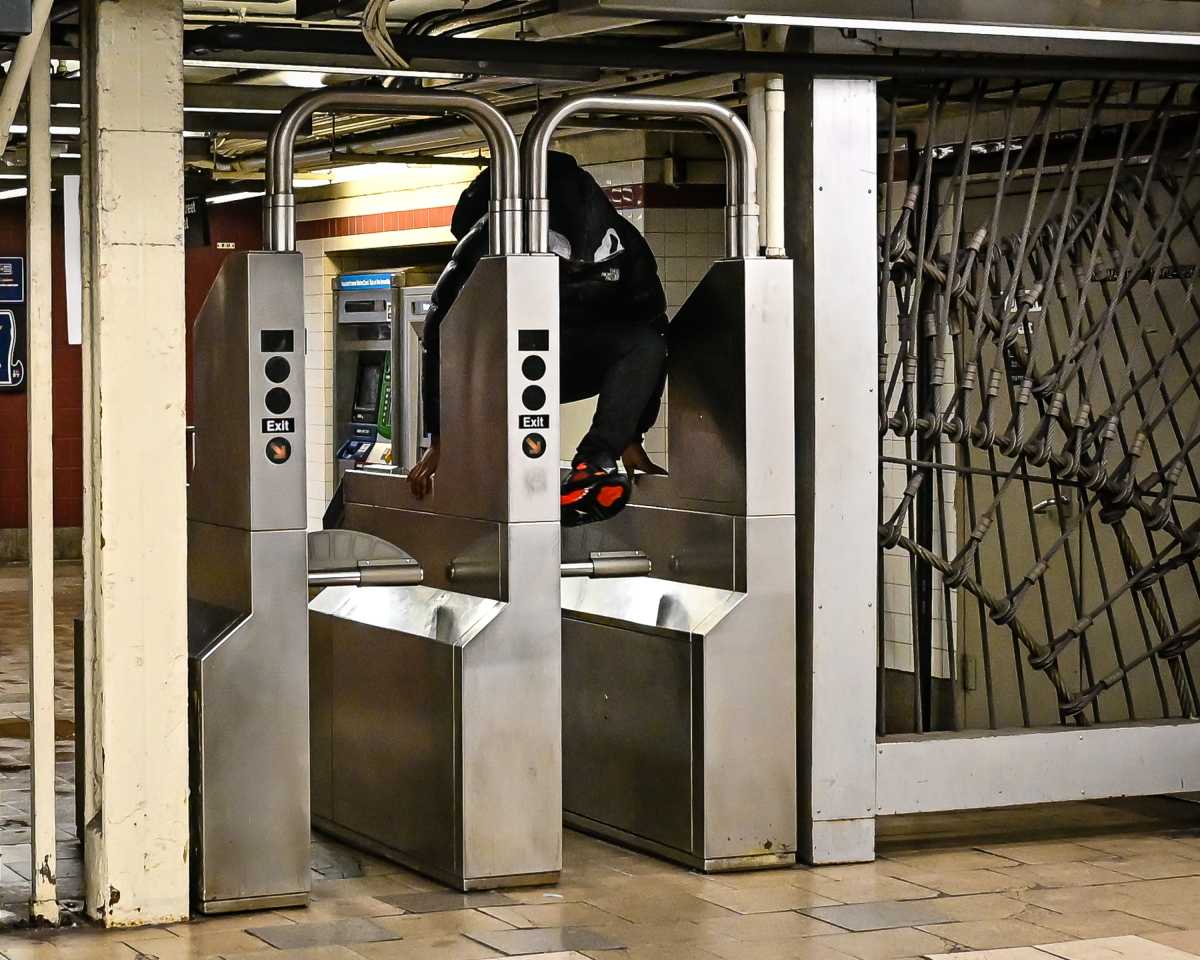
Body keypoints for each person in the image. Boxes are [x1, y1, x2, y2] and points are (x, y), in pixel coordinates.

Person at [408, 151, 669, 526]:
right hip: (494, 371)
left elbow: (652, 335)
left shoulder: (625, 245)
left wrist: (630, 436)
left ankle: (593, 463)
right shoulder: (489, 240)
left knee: (647, 341)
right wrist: (441, 440)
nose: (576, 268)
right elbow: (439, 341)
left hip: (567, 360)